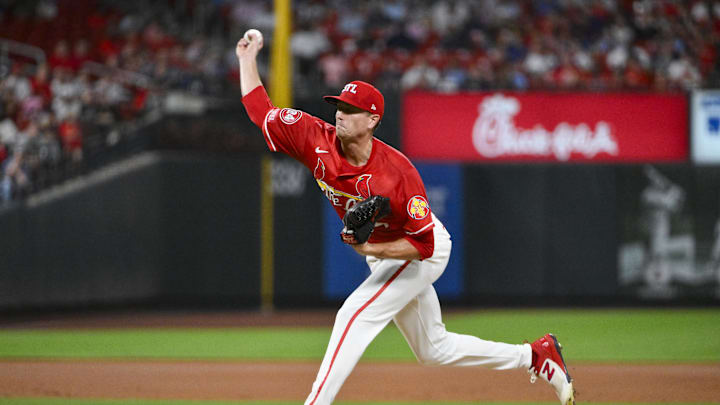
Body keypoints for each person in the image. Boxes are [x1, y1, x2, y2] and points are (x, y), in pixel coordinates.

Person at [236, 30, 575, 405]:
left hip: (421, 248)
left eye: (351, 110)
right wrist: (246, 59)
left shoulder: (397, 173)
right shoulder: (311, 136)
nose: (340, 114)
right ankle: (535, 355)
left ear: (372, 119)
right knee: (434, 348)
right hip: (383, 251)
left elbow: (423, 244)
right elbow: (260, 111)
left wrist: (368, 246)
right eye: (338, 106)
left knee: (354, 314)